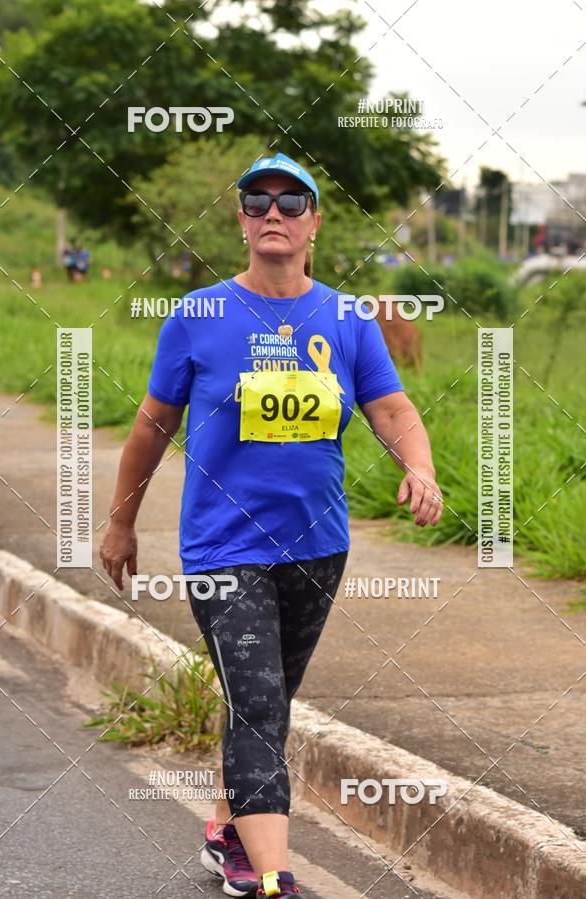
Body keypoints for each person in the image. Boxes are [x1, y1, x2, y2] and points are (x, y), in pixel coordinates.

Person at [100, 151, 443, 898]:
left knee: (265, 698)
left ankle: (228, 831)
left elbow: (392, 408)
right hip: (224, 547)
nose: (275, 214)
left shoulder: (349, 320)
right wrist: (121, 524)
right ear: (242, 221)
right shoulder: (197, 315)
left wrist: (419, 466)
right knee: (258, 705)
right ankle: (271, 878)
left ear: (315, 222)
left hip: (320, 545)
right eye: (259, 202)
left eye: (293, 203)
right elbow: (153, 427)